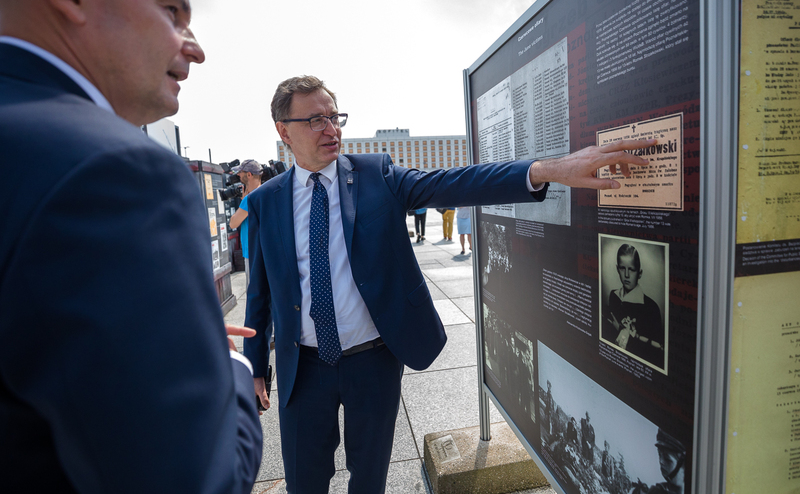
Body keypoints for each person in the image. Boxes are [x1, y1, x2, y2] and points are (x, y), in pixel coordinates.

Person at [243, 75, 654, 493]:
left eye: (335, 116)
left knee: (368, 481)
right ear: (284, 131)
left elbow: (453, 182)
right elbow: (260, 293)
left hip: (372, 362)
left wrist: (547, 169)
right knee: (304, 482)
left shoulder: (375, 175)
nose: (332, 129)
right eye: (316, 120)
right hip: (304, 367)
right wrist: (256, 367)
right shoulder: (265, 202)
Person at [0, 0, 262, 492]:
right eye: (172, 11)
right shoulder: (109, 171)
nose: (195, 48)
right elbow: (200, 480)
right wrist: (227, 362)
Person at [604, 243, 664, 368]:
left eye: (631, 269)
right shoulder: (613, 295)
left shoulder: (651, 308)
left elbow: (655, 353)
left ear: (640, 273)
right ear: (617, 269)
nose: (626, 275)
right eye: (622, 268)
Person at [229, 159, 264, 286]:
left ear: (249, 174)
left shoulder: (249, 199)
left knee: (254, 290)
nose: (238, 175)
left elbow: (233, 223)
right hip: (263, 250)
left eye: (241, 172)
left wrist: (243, 201)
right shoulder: (266, 193)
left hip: (252, 252)